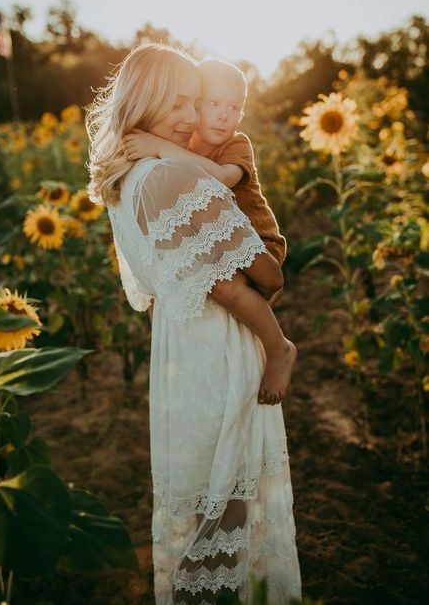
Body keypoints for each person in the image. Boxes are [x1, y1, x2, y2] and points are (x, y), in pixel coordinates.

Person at [86, 43, 302, 604]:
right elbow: (267, 276)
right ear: (145, 101)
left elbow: (151, 292)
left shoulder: (124, 179)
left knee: (198, 511)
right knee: (227, 509)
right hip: (217, 352)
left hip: (176, 357)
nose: (191, 117)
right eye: (178, 103)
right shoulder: (173, 178)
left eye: (195, 103)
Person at [122, 57, 295, 405]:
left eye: (233, 108)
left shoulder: (235, 144)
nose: (222, 115)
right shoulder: (185, 144)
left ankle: (280, 347)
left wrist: (161, 149)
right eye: (213, 104)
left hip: (259, 241)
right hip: (224, 241)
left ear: (242, 115)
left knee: (226, 288)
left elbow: (222, 178)